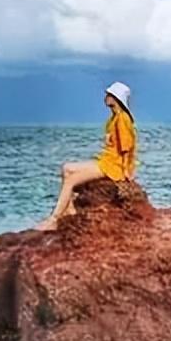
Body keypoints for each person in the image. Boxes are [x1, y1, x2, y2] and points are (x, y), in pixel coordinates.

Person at [35, 81, 137, 231]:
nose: (106, 97)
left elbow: (126, 148)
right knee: (66, 168)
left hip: (113, 167)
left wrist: (127, 173)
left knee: (71, 180)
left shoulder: (122, 119)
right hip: (105, 161)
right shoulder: (114, 118)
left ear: (116, 98)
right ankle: (69, 210)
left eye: (109, 94)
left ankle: (54, 219)